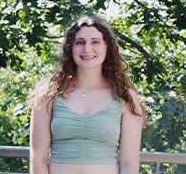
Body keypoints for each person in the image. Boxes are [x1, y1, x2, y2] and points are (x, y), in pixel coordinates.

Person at [26, 15, 146, 174]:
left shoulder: (125, 97)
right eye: (79, 42)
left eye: (95, 42)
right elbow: (37, 158)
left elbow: (129, 164)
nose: (87, 49)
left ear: (106, 47)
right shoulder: (48, 93)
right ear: (70, 48)